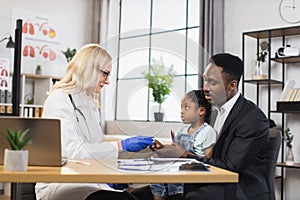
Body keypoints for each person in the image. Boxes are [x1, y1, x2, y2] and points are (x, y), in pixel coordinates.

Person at [132, 53, 269, 200]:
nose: (205, 88)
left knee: (191, 198)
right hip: (206, 180)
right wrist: (169, 150)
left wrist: (183, 154)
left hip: (239, 188)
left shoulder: (252, 119)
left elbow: (230, 168)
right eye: (205, 80)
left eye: (213, 83)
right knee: (137, 195)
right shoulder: (208, 111)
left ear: (232, 85)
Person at [35, 43, 154, 200]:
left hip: (89, 181)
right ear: (89, 69)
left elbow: (95, 149)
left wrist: (108, 177)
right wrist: (120, 146)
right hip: (62, 184)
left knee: (148, 193)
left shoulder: (91, 104)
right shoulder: (60, 99)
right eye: (105, 74)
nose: (107, 81)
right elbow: (74, 152)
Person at [150, 89, 217, 200]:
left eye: (186, 107)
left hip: (192, 172)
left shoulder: (207, 132)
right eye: (181, 107)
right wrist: (162, 147)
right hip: (177, 168)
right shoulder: (182, 131)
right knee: (157, 174)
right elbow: (174, 149)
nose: (182, 111)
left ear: (201, 111)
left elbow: (208, 160)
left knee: (173, 177)